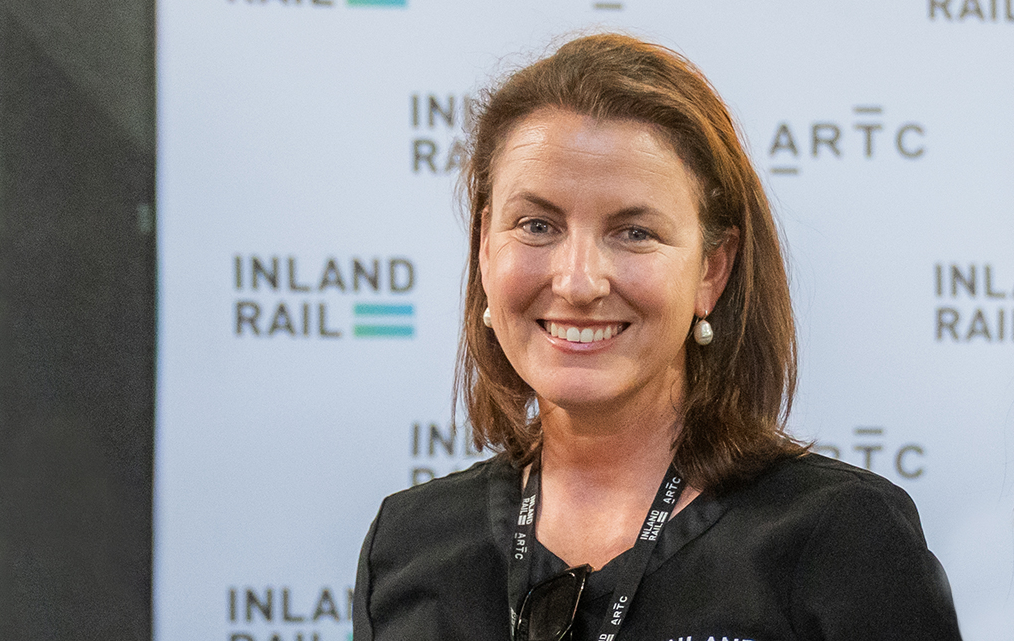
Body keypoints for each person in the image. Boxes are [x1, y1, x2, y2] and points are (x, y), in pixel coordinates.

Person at [352, 34, 961, 640]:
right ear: (485, 246)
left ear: (711, 270)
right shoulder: (407, 544)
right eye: (537, 225)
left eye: (635, 232)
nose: (578, 281)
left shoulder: (843, 539)